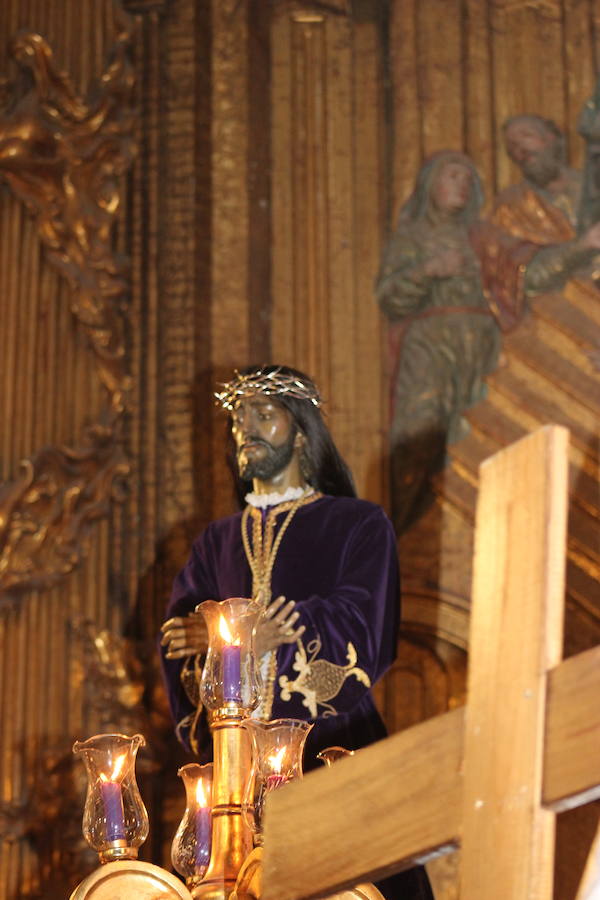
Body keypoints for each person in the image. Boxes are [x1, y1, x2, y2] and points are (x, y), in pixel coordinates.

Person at [160, 364, 433, 900]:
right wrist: (219, 643)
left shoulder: (357, 524)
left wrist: (279, 635)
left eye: (265, 415)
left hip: (333, 749)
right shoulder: (215, 542)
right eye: (239, 419)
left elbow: (365, 617)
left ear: (303, 434)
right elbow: (180, 636)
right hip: (235, 764)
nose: (247, 429)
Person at [375, 152, 505, 532]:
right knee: (422, 431)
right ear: (431, 185)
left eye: (468, 179)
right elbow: (390, 297)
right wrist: (430, 270)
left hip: (483, 348)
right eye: (452, 176)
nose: (461, 185)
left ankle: (480, 523)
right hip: (431, 348)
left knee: (480, 435)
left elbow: (521, 273)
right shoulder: (412, 238)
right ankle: (414, 528)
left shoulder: (484, 238)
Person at [491, 114, 600, 299]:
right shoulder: (510, 209)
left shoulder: (594, 186)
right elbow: (523, 279)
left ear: (551, 136)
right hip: (558, 314)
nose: (521, 149)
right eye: (513, 147)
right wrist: (581, 247)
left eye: (526, 136)